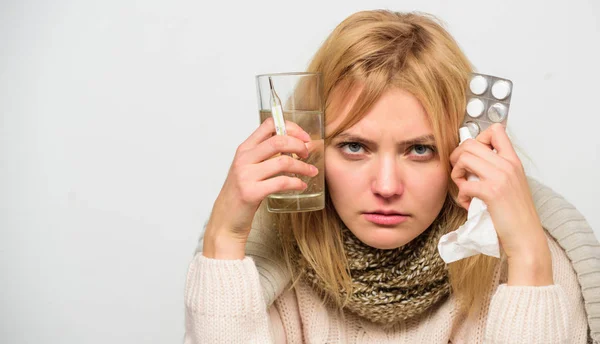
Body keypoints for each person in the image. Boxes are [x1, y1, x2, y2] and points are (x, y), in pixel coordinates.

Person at [184, 10, 598, 343]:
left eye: (420, 149)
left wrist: (528, 258)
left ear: (464, 150)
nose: (386, 187)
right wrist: (223, 239)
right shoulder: (250, 268)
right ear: (310, 145)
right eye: (354, 147)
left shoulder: (537, 264)